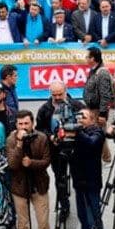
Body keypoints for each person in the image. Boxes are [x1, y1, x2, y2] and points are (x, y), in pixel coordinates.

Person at [7, 110, 51, 229]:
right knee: (23, 223)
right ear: (16, 125)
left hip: (39, 185)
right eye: (20, 124)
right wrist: (19, 144)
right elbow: (12, 164)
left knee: (43, 221)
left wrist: (31, 163)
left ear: (32, 123)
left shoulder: (42, 138)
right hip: (20, 187)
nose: (23, 127)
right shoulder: (11, 139)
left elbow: (46, 161)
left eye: (26, 123)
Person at [35, 81, 84, 218]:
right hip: (56, 150)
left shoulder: (77, 106)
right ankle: (64, 206)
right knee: (60, 179)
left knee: (78, 179)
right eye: (54, 94)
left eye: (59, 94)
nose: (56, 97)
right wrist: (50, 137)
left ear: (66, 91)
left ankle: (82, 206)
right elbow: (39, 129)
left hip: (76, 150)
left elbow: (87, 124)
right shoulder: (44, 109)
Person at [67, 108, 106, 229]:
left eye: (83, 117)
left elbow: (91, 144)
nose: (79, 119)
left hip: (91, 182)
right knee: (82, 214)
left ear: (92, 120)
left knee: (93, 216)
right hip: (78, 180)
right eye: (78, 117)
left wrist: (77, 132)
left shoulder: (97, 132)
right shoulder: (77, 132)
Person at [83, 46, 115, 123]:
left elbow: (105, 95)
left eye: (86, 57)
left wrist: (102, 114)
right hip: (92, 110)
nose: (85, 59)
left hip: (98, 112)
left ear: (92, 59)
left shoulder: (102, 73)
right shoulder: (93, 71)